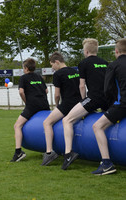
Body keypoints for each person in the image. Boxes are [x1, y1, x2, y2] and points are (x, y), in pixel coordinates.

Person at [61, 38, 109, 170]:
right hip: (107, 99)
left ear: (86, 51)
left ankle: (68, 153)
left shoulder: (83, 63)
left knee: (67, 120)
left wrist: (83, 102)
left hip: (93, 98)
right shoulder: (105, 63)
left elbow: (82, 86)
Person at [92, 38, 126, 175]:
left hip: (122, 105)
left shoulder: (114, 65)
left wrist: (109, 105)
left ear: (116, 51)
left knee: (97, 126)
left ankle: (106, 163)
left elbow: (107, 89)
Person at [41, 52, 81, 166]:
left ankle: (49, 152)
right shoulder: (75, 71)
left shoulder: (58, 74)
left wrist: (57, 105)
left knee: (47, 122)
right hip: (79, 104)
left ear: (57, 62)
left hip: (67, 104)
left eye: (52, 65)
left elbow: (57, 94)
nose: (52, 68)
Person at [11, 58, 50, 162]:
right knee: (48, 125)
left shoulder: (23, 78)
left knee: (17, 126)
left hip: (32, 105)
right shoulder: (39, 77)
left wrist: (26, 102)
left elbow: (21, 92)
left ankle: (18, 152)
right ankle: (49, 149)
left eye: (23, 67)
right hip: (44, 105)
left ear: (26, 68)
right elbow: (46, 91)